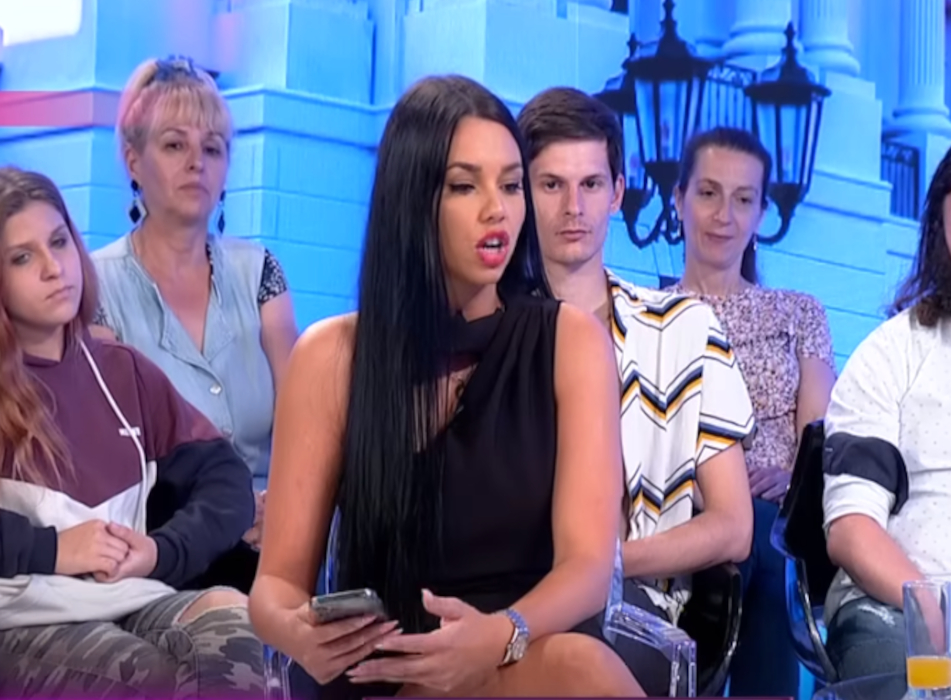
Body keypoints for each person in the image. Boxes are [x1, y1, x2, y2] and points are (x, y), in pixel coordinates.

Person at [249, 74, 649, 699]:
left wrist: (500, 635)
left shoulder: (570, 343)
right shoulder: (332, 357)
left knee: (581, 667)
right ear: (413, 199)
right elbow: (274, 587)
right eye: (466, 186)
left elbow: (589, 568)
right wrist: (297, 631)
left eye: (511, 185)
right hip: (389, 675)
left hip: (525, 657)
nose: (498, 209)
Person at [516, 88, 755, 694]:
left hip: (632, 604)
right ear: (521, 192)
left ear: (619, 193)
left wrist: (607, 563)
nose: (574, 207)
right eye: (551, 185)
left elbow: (733, 525)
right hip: (502, 589)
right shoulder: (491, 329)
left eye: (591, 184)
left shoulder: (683, 329)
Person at [0, 167, 265, 697]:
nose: (54, 268)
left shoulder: (122, 371)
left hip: (129, 595)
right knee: (146, 673)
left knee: (237, 632)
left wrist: (160, 552)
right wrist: (54, 549)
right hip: (21, 615)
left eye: (59, 242)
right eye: (22, 258)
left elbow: (226, 480)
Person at [91, 55, 299, 545]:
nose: (196, 163)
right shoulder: (94, 284)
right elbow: (115, 457)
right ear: (133, 161)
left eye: (212, 148)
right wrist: (227, 514)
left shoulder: (260, 272)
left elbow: (305, 421)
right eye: (174, 145)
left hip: (270, 537)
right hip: (160, 543)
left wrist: (285, 505)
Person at [659, 125, 836, 695]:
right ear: (678, 198)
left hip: (776, 512)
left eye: (743, 199)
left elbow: (819, 437)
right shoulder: (647, 315)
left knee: (762, 532)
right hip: (681, 508)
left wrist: (791, 479)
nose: (724, 215)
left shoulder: (798, 313)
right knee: (739, 528)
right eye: (708, 193)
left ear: (761, 214)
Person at [823, 129, 951, 680]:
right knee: (932, 687)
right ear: (939, 241)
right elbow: (851, 529)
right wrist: (939, 620)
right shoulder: (891, 354)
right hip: (898, 612)